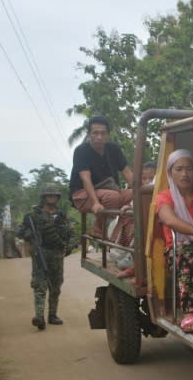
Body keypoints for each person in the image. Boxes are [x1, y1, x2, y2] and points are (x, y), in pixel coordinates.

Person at [18, 184, 75, 330]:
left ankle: (52, 315)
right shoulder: (33, 216)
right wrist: (28, 235)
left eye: (54, 195)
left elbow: (71, 234)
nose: (52, 198)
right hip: (40, 253)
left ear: (57, 198)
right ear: (43, 197)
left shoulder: (62, 216)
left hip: (57, 254)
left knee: (56, 286)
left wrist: (68, 248)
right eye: (49, 195)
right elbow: (20, 231)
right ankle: (39, 317)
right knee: (40, 285)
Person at [69, 114, 134, 242]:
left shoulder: (114, 149)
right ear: (88, 134)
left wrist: (141, 191)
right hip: (83, 194)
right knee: (112, 197)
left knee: (135, 194)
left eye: (103, 133)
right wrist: (95, 203)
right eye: (95, 133)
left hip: (111, 190)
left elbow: (127, 173)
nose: (99, 137)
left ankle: (122, 233)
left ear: (108, 134)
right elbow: (86, 179)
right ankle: (98, 228)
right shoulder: (81, 151)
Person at [155, 150, 193, 333]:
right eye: (179, 169)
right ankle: (190, 311)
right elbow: (169, 220)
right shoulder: (165, 196)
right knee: (189, 254)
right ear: (170, 173)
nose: (184, 174)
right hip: (178, 249)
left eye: (189, 169)